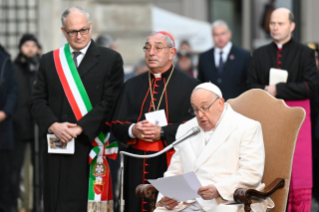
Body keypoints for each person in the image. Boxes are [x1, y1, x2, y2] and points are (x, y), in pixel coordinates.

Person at [30, 6, 124, 212]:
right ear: (64, 31)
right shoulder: (50, 60)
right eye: (73, 32)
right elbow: (37, 101)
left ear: (90, 27)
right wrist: (54, 125)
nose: (79, 36)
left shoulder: (110, 59)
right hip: (57, 146)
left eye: (84, 30)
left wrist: (79, 128)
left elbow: (110, 102)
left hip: (89, 145)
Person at [110, 31, 199, 212]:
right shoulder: (131, 85)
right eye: (148, 48)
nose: (151, 53)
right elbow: (116, 125)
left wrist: (163, 132)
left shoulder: (190, 86)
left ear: (172, 53)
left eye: (158, 48)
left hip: (173, 161)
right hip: (136, 164)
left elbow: (197, 126)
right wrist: (133, 130)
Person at [154, 82, 274, 212]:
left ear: (220, 104)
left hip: (229, 202)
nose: (199, 115)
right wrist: (168, 196)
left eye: (205, 107)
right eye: (195, 109)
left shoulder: (246, 127)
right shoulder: (185, 129)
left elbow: (251, 172)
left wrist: (218, 189)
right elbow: (175, 172)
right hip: (188, 203)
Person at [247, 8, 317, 211]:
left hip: (298, 122)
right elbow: (251, 85)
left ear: (292, 26)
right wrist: (265, 90)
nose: (275, 27)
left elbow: (311, 87)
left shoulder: (305, 53)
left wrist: (278, 89)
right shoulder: (259, 54)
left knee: (298, 171)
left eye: (280, 23)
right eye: (272, 24)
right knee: (271, 168)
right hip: (269, 121)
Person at [11, 34, 43, 212]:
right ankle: (15, 204)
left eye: (33, 45)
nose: (30, 48)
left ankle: (38, 204)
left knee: (39, 169)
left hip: (38, 128)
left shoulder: (40, 69)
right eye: (26, 45)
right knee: (15, 169)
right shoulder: (14, 69)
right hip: (18, 127)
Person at [197, 20, 251, 101]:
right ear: (212, 36)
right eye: (216, 35)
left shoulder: (243, 56)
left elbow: (249, 84)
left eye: (222, 34)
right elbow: (200, 84)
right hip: (211, 107)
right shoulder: (204, 57)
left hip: (236, 107)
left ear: (229, 34)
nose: (220, 38)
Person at [0, 44, 17, 212]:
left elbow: (13, 89)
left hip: (2, 129)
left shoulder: (5, 60)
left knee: (4, 175)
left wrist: (5, 112)